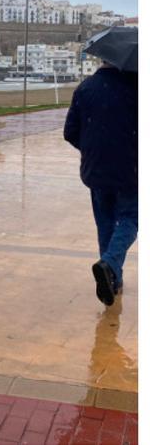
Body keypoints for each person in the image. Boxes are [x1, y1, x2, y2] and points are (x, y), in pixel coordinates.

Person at [64, 60, 137, 306]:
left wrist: (92, 149)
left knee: (105, 221)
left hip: (96, 170)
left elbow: (70, 131)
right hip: (130, 170)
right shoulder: (135, 86)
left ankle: (112, 279)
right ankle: (110, 265)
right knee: (131, 218)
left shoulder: (85, 88)